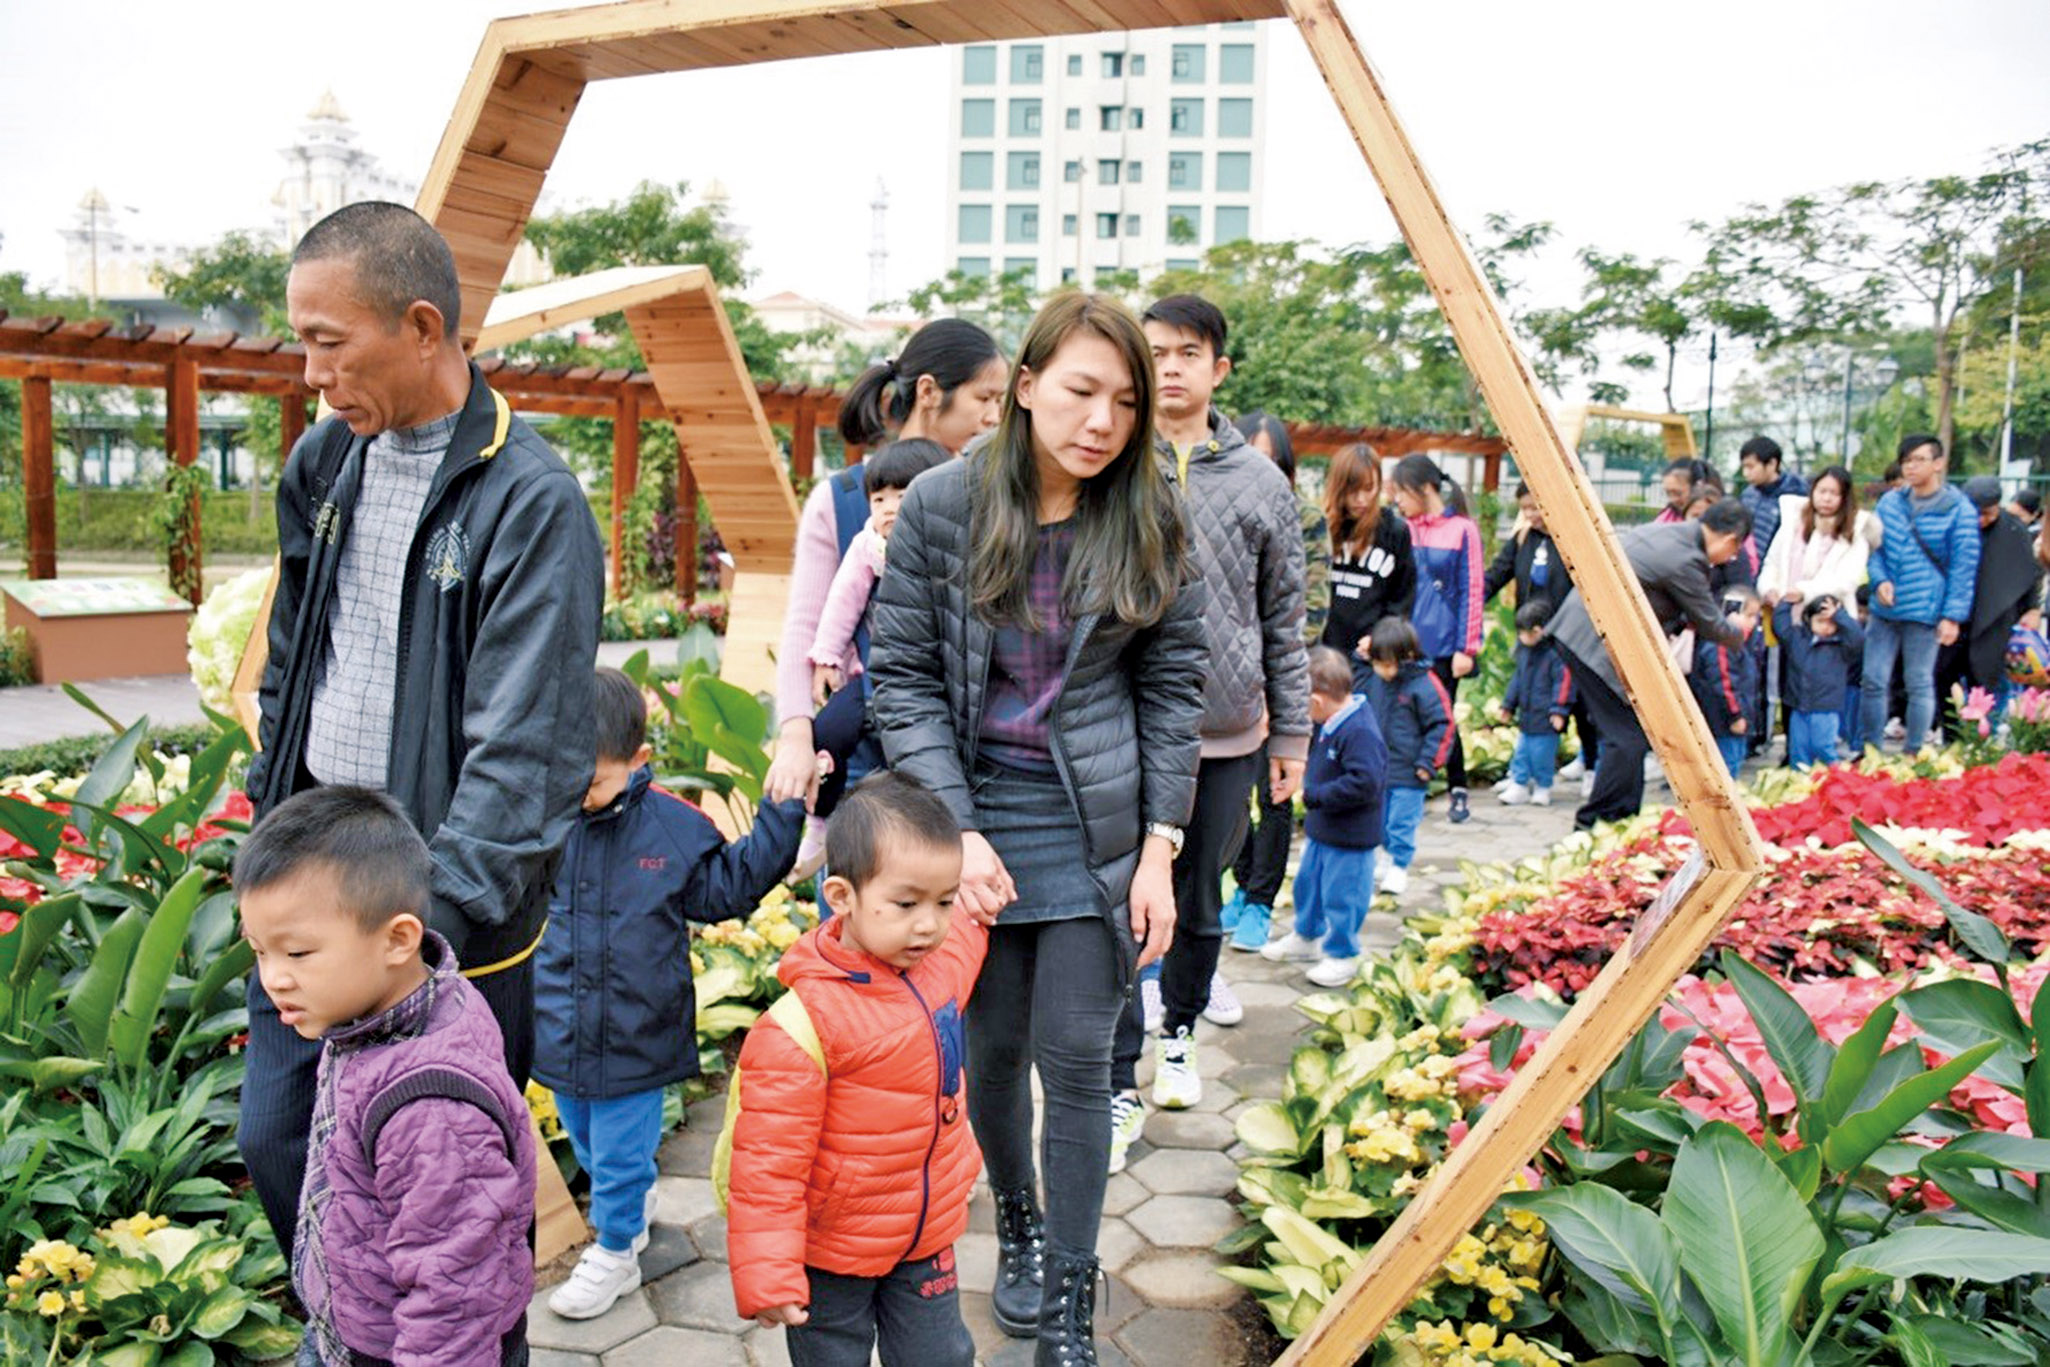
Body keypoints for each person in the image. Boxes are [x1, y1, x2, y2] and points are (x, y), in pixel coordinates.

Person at [243, 201, 603, 1260]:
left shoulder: (528, 498)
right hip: (316, 885)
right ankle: (346, 1324)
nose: (312, 371)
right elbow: (292, 663)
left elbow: (525, 746)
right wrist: (271, 816)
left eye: (327, 341)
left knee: (453, 1217)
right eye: (301, 341)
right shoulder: (323, 464)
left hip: (441, 931)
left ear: (419, 326)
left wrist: (423, 939)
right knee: (279, 1142)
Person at [867, 292, 1204, 1360]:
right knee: (997, 1051)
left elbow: (1174, 683)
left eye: (1124, 400)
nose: (1101, 420)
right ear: (1023, 388)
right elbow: (904, 679)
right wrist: (956, 833)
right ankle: (1013, 1223)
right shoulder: (941, 504)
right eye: (1079, 391)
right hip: (975, 817)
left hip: (1093, 821)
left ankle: (1068, 1288)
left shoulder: (1151, 507)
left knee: (1076, 1054)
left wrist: (1161, 842)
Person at [536, 669, 811, 1320]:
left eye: (594, 780)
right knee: (584, 1135)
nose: (578, 794)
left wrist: (783, 812)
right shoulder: (547, 821)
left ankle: (615, 1249)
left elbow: (730, 887)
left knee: (621, 1149)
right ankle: (625, 1204)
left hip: (638, 1030)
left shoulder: (672, 828)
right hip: (561, 1024)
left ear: (638, 762)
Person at [236, 787, 535, 1367]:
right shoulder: (388, 1011)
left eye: (297, 953)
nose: (274, 978)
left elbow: (454, 1296)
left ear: (398, 939)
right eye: (259, 952)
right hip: (353, 1319)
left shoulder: (429, 1108)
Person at [1105, 293, 1308, 1138]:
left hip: (1227, 732)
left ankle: (1179, 1036)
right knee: (1117, 900)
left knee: (1197, 897)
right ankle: (1117, 1078)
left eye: (1189, 352)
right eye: (1154, 353)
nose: (1172, 367)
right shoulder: (1110, 463)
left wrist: (1290, 733)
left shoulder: (1262, 483)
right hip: (1118, 722)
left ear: (1218, 367)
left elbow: (1285, 618)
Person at [723, 773, 985, 1367]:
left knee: (940, 1356)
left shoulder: (936, 966)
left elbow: (965, 946)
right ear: (841, 897)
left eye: (944, 901)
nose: (930, 924)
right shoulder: (801, 1026)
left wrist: (979, 905)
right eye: (907, 903)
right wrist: (769, 1274)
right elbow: (768, 1168)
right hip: (832, 1250)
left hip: (925, 1236)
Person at [764, 321, 1005, 814]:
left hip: (972, 759)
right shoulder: (842, 500)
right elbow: (805, 627)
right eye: (984, 398)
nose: (995, 416)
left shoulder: (996, 494)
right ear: (929, 393)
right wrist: (795, 734)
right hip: (863, 753)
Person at [1547, 500, 1757, 828]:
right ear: (1730, 539)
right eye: (1734, 551)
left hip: (1584, 630)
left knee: (1630, 734)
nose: (1730, 559)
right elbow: (1711, 624)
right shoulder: (1687, 559)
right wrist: (1740, 632)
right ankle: (1599, 821)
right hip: (1595, 642)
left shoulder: (1666, 533)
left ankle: (1619, 815)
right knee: (1627, 737)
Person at [799, 437, 955, 871]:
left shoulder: (954, 547)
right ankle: (820, 822)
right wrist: (828, 658)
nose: (889, 508)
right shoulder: (869, 548)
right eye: (879, 498)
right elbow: (842, 602)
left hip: (934, 687)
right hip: (870, 679)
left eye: (903, 497)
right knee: (829, 730)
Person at [1225, 411, 1328, 957]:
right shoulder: (1221, 506)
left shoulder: (1304, 516)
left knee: (1276, 793)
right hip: (1229, 682)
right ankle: (1240, 888)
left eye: (1271, 459)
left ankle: (1262, 901)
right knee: (1234, 794)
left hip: (1280, 677)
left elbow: (1309, 607)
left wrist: (1274, 682)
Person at [1258, 646, 1387, 987]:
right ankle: (1306, 936)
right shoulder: (1333, 722)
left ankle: (1343, 954)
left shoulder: (1359, 731)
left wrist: (1315, 796)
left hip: (1351, 838)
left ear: (1315, 701)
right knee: (1309, 887)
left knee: (1343, 896)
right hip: (1323, 830)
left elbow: (1366, 783)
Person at [1861, 435, 1980, 753]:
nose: (1911, 467)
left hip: (1926, 609)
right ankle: (1870, 749)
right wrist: (1879, 580)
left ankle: (1914, 752)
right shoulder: (1890, 503)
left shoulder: (1959, 511)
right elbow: (1874, 550)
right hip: (1884, 609)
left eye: (1918, 460)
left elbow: (1963, 568)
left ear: (1938, 463)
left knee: (1919, 683)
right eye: (1906, 461)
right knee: (1872, 680)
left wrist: (1952, 616)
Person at [1388, 455, 1483, 823]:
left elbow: (1472, 589)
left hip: (1444, 647)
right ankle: (1410, 790)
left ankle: (1457, 787)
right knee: (1399, 716)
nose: (1397, 500)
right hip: (1404, 643)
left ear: (1424, 488)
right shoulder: (1402, 528)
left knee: (1439, 718)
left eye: (1401, 491)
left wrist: (1467, 648)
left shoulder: (1463, 529)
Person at [1480, 481, 1594, 788]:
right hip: (1532, 634)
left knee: (1579, 702)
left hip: (1567, 635)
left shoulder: (1571, 541)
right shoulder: (1523, 539)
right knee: (1531, 697)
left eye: (1535, 507)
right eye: (1524, 509)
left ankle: (1590, 766)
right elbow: (1497, 574)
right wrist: (1473, 601)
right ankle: (1524, 772)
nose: (1530, 515)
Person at [1758, 465, 1871, 751]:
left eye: (1835, 493)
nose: (1827, 498)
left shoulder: (1855, 534)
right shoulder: (1793, 525)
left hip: (1825, 622)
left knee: (1822, 685)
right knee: (1788, 682)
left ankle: (1825, 747)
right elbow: (1772, 563)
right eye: (1822, 491)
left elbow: (1846, 579)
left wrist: (1804, 591)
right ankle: (1793, 749)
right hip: (1789, 616)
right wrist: (1769, 587)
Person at [1936, 476, 2043, 735]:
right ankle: (1951, 737)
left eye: (1987, 514)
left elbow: (2028, 573)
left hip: (1995, 618)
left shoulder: (2013, 531)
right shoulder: (1953, 524)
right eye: (1975, 513)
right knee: (1943, 677)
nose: (1980, 520)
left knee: (1985, 683)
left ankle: (1983, 740)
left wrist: (2032, 608)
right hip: (1954, 618)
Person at [1364, 617, 1451, 900]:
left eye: (1388, 664)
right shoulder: (1376, 680)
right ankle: (1387, 857)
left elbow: (1443, 724)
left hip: (1411, 772)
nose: (1383, 670)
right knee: (1380, 820)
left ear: (1408, 656)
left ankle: (1400, 866)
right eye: (1378, 663)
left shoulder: (1424, 685)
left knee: (1401, 822)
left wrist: (1429, 763)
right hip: (1380, 769)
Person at [1322, 442, 1417, 692]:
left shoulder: (1394, 532)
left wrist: (1379, 639)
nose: (1361, 499)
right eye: (1352, 490)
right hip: (1322, 654)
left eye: (1369, 488)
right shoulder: (1320, 530)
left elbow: (1402, 598)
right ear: (1338, 487)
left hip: (1368, 658)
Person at [1497, 600, 1573, 806]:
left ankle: (1543, 786)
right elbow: (1517, 680)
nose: (1523, 638)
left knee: (1542, 755)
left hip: (1546, 718)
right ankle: (1519, 784)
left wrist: (1559, 710)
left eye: (1528, 633)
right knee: (1521, 753)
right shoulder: (1524, 652)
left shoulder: (1555, 654)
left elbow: (1563, 683)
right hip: (1527, 716)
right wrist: (1508, 705)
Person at [1776, 597, 1864, 769]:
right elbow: (1780, 626)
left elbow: (1858, 637)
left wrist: (1840, 615)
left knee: (1823, 746)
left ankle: (1835, 778)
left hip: (1826, 707)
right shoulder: (1797, 637)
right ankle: (1799, 782)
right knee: (1798, 749)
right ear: (1809, 618)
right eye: (1820, 621)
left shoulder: (1841, 645)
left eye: (1831, 622)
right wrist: (1786, 602)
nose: (1826, 626)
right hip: (1798, 705)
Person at [1691, 585, 1763, 778]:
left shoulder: (1738, 641)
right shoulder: (1722, 643)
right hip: (1724, 719)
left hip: (1734, 716)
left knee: (1734, 759)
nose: (1753, 622)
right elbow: (1724, 683)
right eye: (1748, 615)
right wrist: (1736, 715)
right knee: (1726, 765)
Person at [1738, 436, 1807, 563]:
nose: (1746, 473)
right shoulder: (1748, 495)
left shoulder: (1796, 497)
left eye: (1751, 467)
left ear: (1772, 464)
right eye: (1744, 467)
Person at [1655, 458, 1713, 524]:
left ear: (1698, 487)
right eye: (1668, 493)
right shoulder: (1665, 519)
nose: (1672, 499)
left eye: (1678, 493)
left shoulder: (1714, 521)